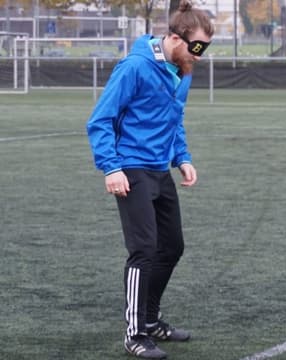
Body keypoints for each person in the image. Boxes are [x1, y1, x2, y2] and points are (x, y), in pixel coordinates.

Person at [86, 1, 214, 358]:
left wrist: (182, 158)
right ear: (175, 38)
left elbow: (174, 119)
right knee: (143, 250)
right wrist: (111, 168)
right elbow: (99, 120)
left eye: (206, 48)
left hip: (160, 169)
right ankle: (135, 334)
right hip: (131, 168)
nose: (200, 56)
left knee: (172, 248)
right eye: (197, 47)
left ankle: (152, 318)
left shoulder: (182, 69)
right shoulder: (135, 67)